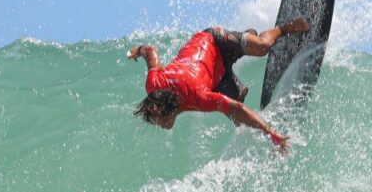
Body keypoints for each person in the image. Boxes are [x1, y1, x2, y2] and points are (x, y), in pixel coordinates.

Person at [127, 19, 311, 153]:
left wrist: (271, 133)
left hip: (214, 42)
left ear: (170, 108)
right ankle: (246, 42)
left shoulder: (198, 96)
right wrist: (139, 50)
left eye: (161, 119)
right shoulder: (154, 85)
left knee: (263, 47)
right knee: (242, 125)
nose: (161, 125)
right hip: (216, 78)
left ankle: (283, 28)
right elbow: (149, 51)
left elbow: (236, 108)